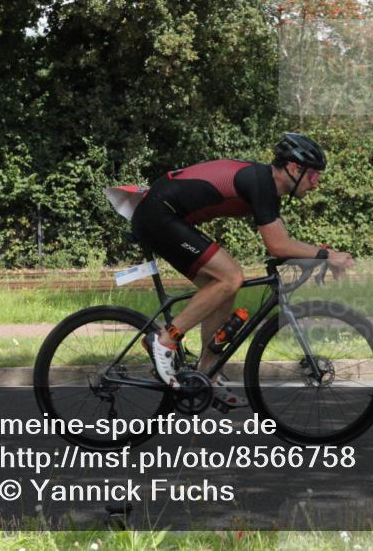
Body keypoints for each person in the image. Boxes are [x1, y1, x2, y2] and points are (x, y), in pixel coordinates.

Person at [131, 132, 355, 407]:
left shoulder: (269, 189)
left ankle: (207, 373)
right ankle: (164, 341)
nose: (316, 183)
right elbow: (278, 246)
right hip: (159, 214)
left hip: (165, 216)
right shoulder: (261, 182)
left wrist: (317, 256)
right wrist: (326, 255)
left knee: (222, 289)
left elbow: (284, 242)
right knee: (231, 277)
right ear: (295, 169)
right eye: (313, 175)